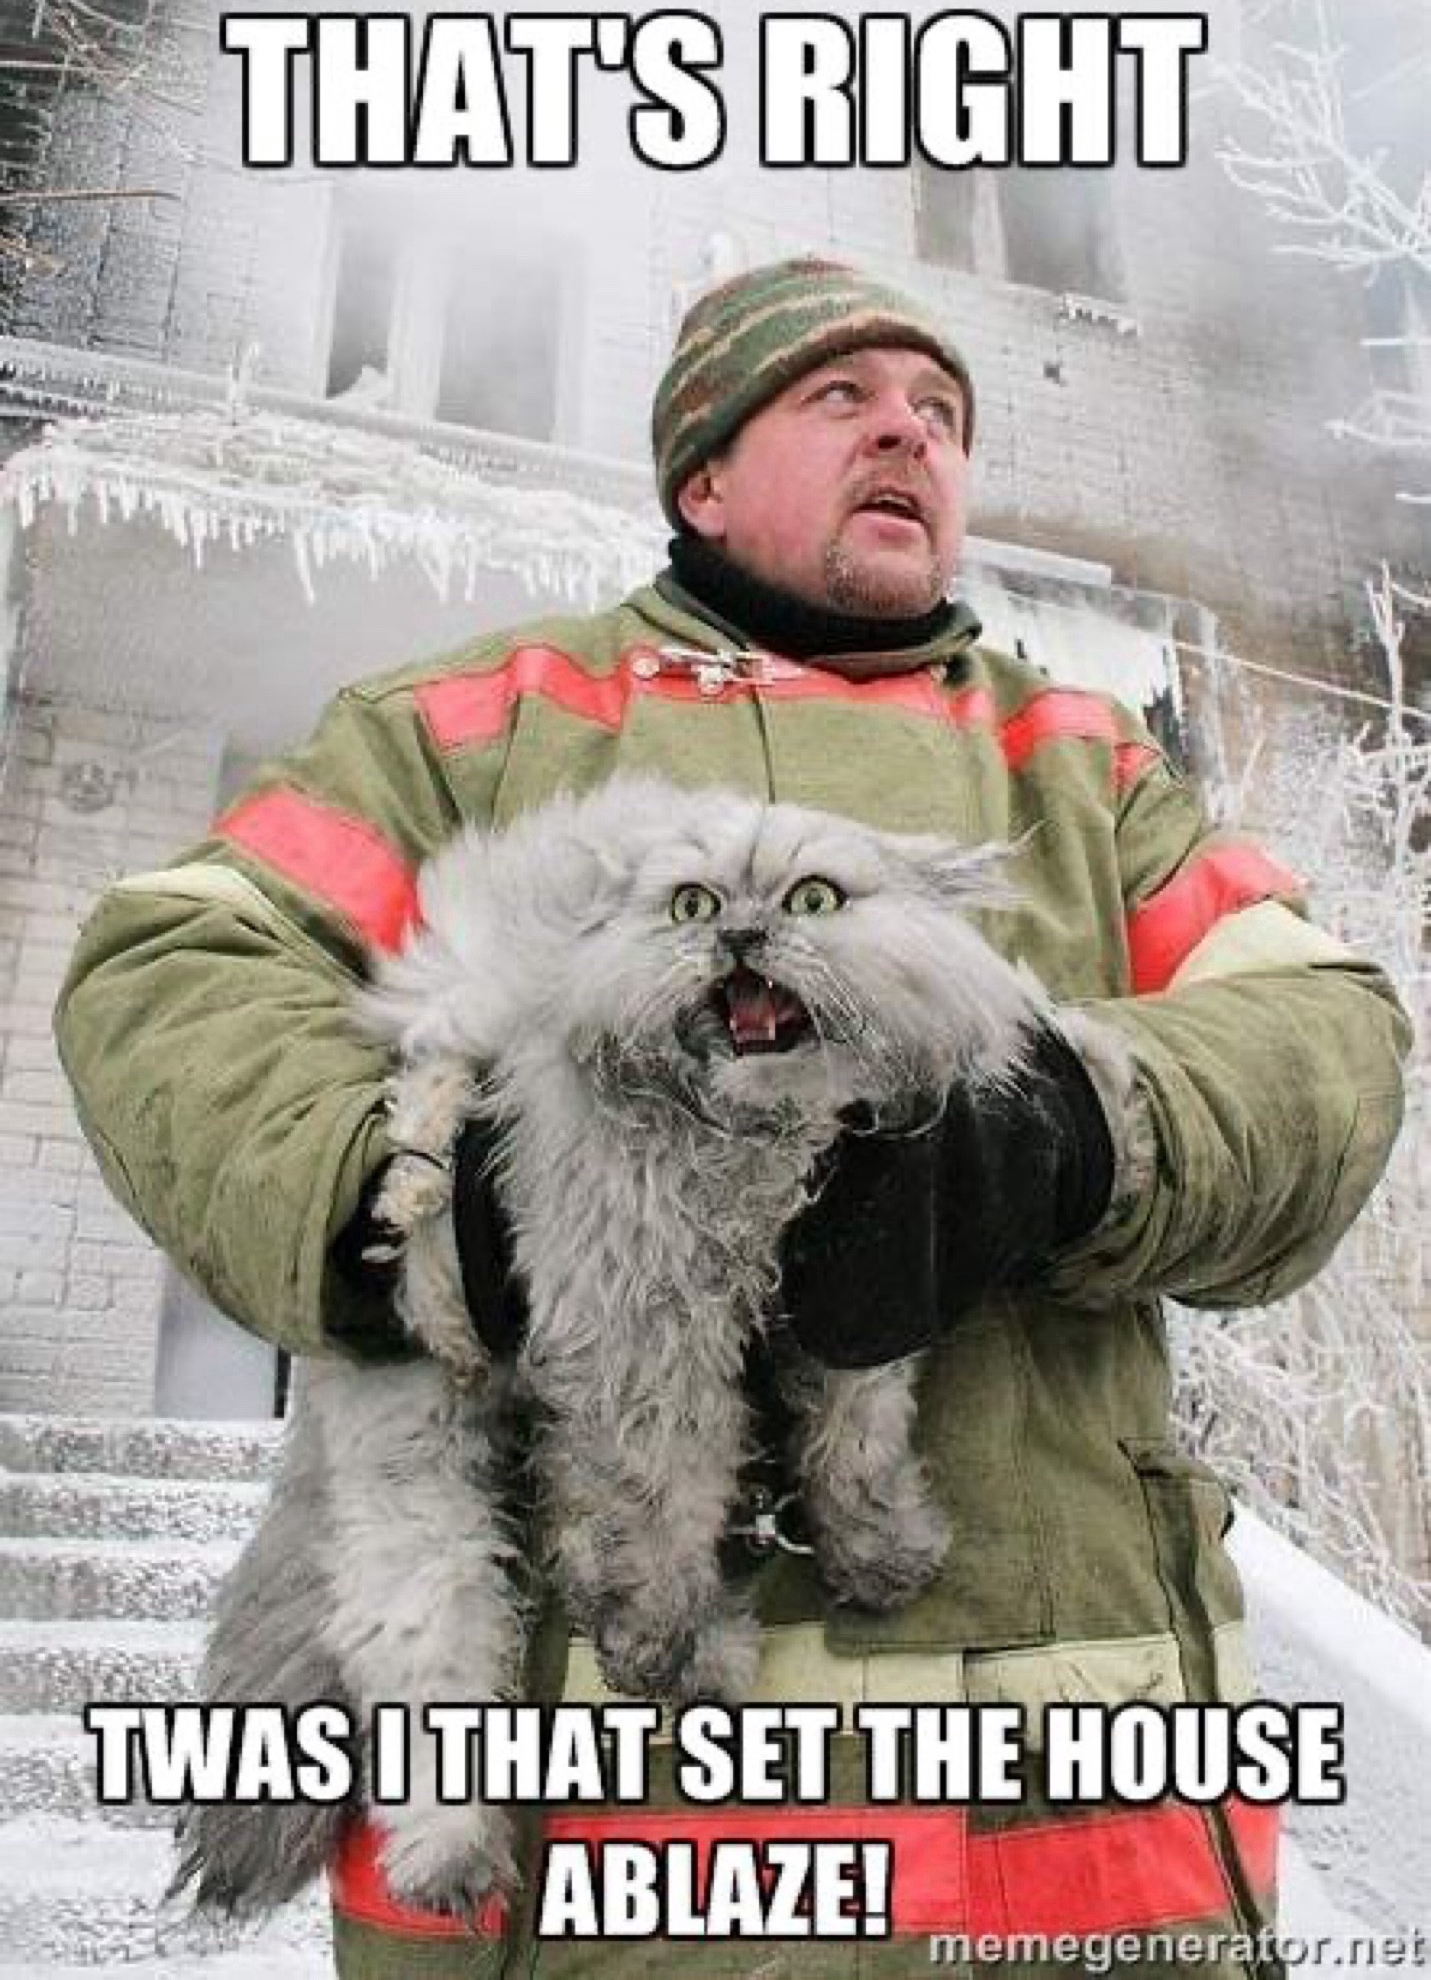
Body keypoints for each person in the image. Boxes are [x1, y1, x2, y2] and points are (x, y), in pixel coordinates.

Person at [55, 257, 1409, 1979]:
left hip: (1062, 1857)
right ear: (701, 473)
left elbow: (1325, 1034)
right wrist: (423, 1204)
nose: (908, 432)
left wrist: (1072, 1131)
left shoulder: (1089, 772)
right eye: (843, 399)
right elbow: (167, 968)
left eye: (940, 414)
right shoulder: (474, 727)